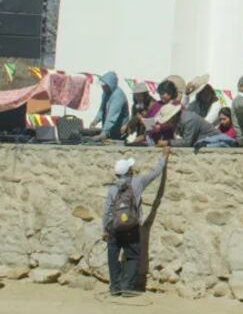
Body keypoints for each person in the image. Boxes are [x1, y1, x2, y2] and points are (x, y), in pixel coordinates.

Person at [102, 146, 169, 296]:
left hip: (114, 226)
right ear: (129, 171)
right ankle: (127, 288)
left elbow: (106, 211)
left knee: (113, 256)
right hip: (132, 227)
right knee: (132, 256)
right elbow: (155, 173)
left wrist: (104, 229)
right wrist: (164, 157)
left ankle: (115, 287)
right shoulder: (138, 182)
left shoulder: (112, 189)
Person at [156, 102, 235, 149]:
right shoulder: (180, 121)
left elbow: (187, 142)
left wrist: (167, 142)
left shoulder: (188, 120)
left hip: (212, 141)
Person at [94, 72, 130, 141]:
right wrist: (95, 121)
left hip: (119, 131)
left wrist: (104, 133)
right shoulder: (105, 94)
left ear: (110, 85)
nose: (103, 88)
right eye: (102, 86)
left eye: (105, 86)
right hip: (109, 130)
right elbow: (101, 109)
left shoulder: (118, 96)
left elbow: (112, 116)